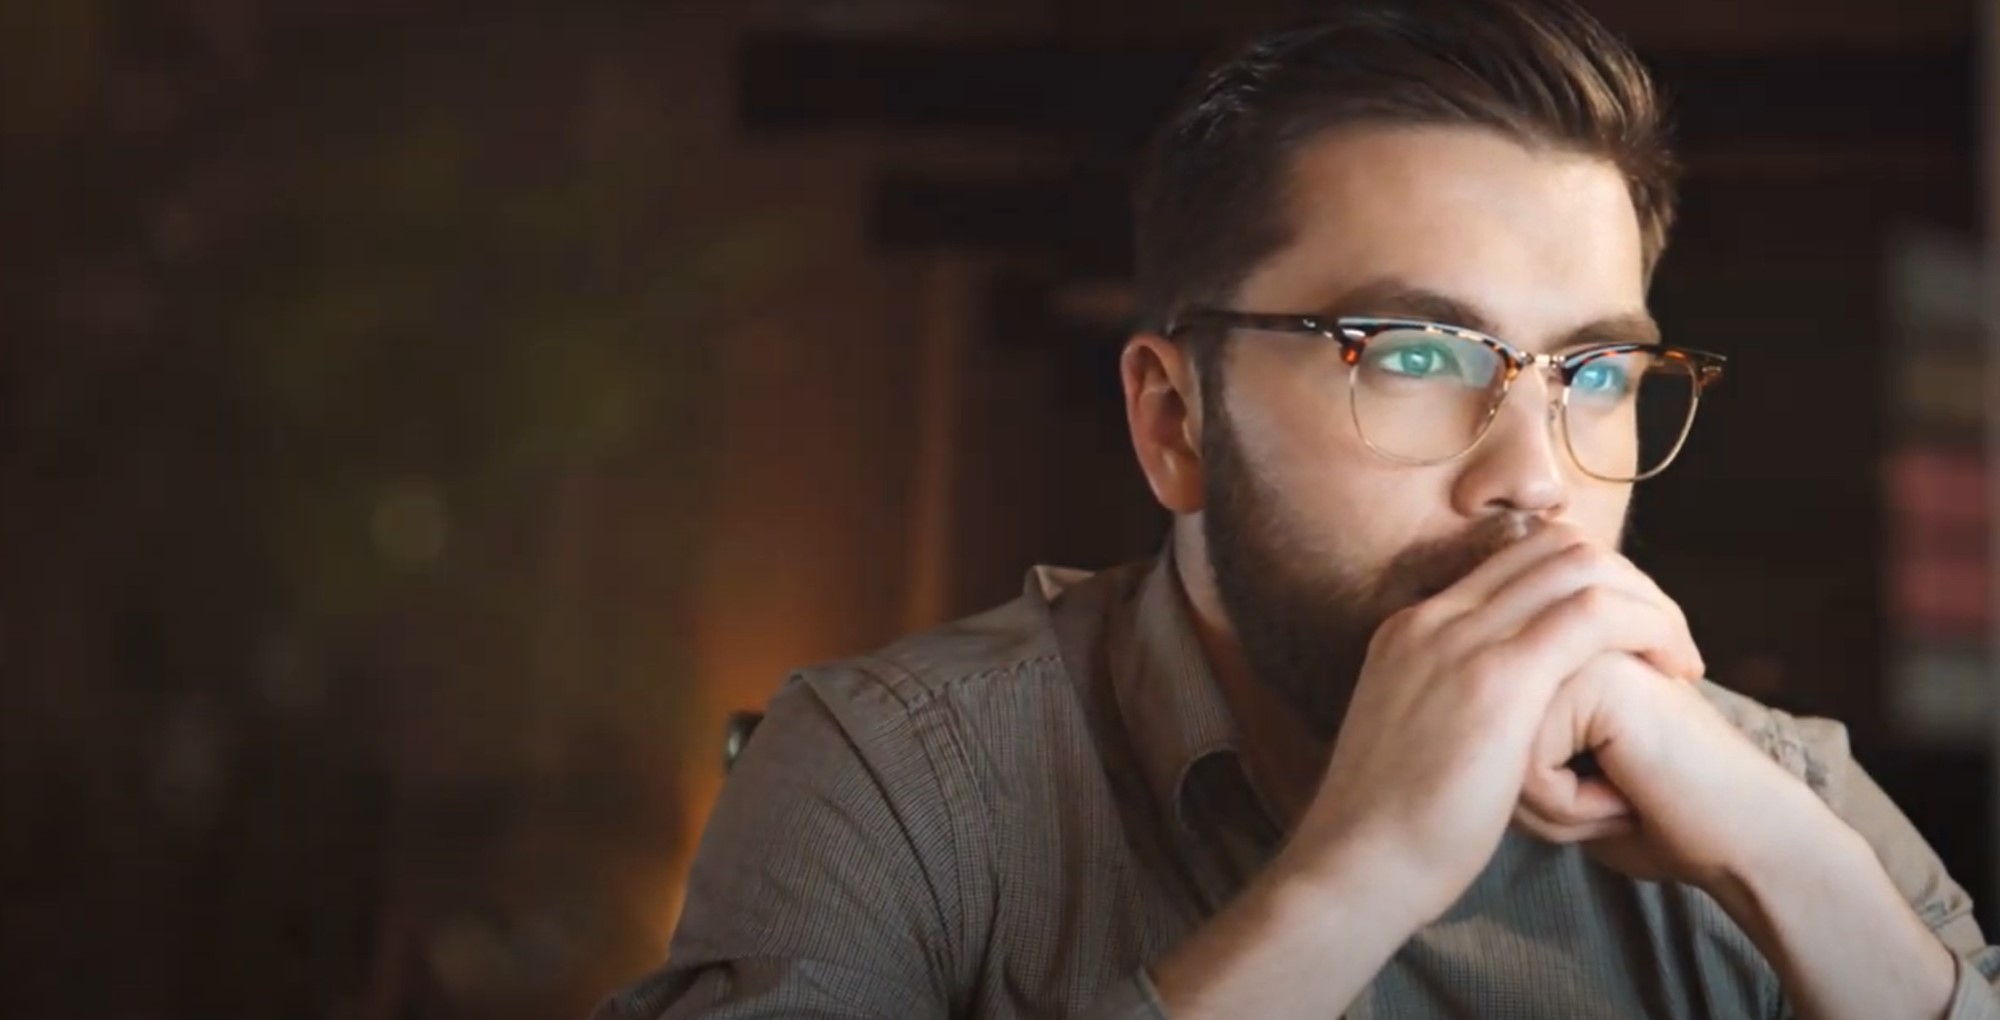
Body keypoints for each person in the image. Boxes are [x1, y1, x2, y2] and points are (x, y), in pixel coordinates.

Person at [595, 0, 2000, 1017]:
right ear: (1175, 422)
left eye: (1593, 373)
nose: (1532, 476)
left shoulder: (1786, 796)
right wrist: (1360, 873)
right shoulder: (903, 777)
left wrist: (1791, 875)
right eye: (1416, 357)